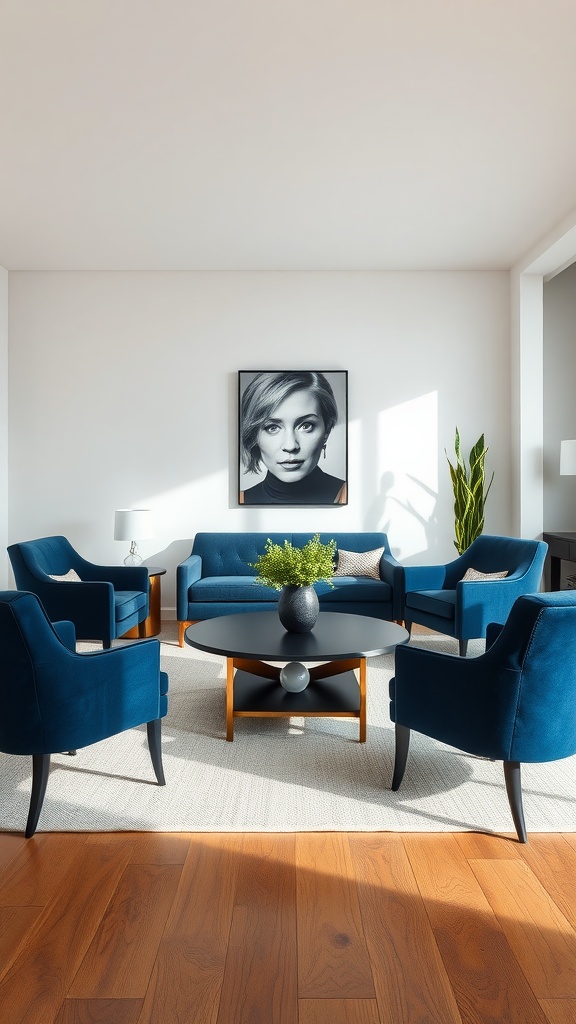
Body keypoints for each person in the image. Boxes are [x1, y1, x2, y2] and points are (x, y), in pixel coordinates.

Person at [239, 371, 347, 505]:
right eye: (272, 427)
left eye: (306, 426)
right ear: (253, 435)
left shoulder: (354, 496)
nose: (290, 446)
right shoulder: (236, 502)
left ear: (327, 430)